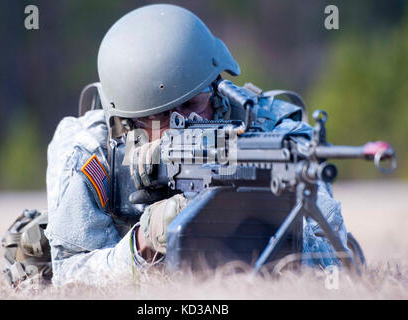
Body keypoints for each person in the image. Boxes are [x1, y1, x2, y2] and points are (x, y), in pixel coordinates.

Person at [44, 4, 349, 287]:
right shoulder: (91, 150)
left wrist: (257, 218)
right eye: (161, 116)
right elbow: (70, 274)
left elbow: (335, 259)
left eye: (193, 103)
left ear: (217, 89)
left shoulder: (272, 132)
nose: (184, 123)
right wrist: (143, 242)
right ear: (128, 121)